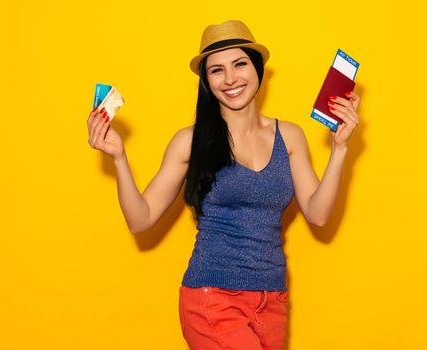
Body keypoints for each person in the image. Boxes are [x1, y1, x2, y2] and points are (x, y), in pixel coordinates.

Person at [87, 19, 360, 350]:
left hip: (271, 300)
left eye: (240, 64)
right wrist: (119, 158)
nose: (230, 79)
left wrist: (340, 148)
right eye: (217, 70)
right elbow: (140, 218)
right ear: (207, 81)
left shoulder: (289, 138)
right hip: (212, 297)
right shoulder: (190, 141)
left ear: (257, 68)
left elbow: (317, 214)